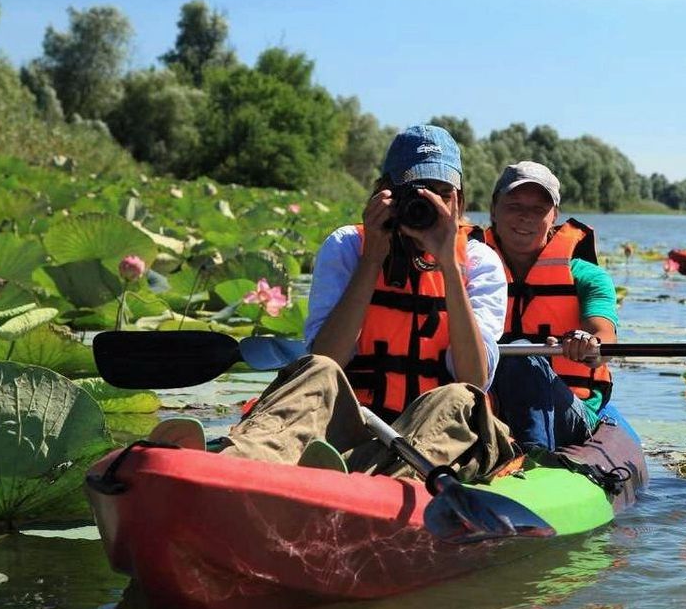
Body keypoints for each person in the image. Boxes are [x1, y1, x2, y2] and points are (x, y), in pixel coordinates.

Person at [219, 125, 515, 481]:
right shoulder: (348, 246)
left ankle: (382, 481)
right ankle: (238, 460)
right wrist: (372, 258)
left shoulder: (480, 262)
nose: (430, 206)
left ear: (459, 202)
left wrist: (449, 266)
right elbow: (330, 356)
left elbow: (473, 378)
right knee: (317, 368)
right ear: (385, 194)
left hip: (435, 436)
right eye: (418, 193)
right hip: (355, 422)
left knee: (460, 398)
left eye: (443, 195)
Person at [475, 160, 619, 451]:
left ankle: (535, 456)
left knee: (521, 356)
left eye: (538, 209)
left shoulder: (588, 277)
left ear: (554, 215)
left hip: (568, 409)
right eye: (514, 206)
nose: (525, 217)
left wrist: (588, 343)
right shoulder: (466, 269)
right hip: (487, 402)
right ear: (493, 209)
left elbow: (604, 335)